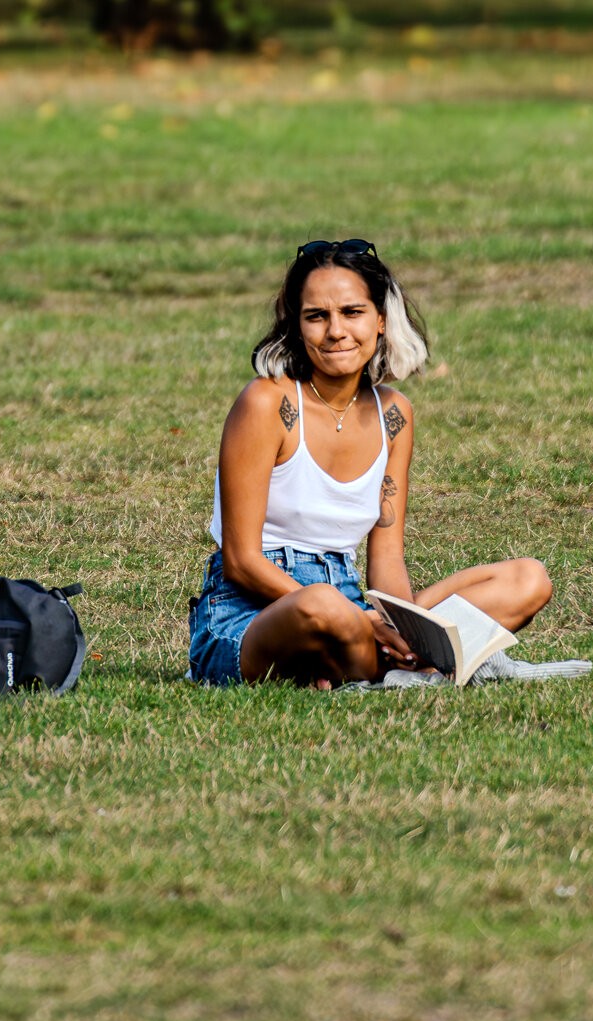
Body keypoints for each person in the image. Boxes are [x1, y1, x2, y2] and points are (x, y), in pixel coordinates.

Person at [188, 239, 554, 688]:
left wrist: (400, 628)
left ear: (381, 319)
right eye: (316, 316)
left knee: (527, 579)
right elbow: (241, 562)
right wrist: (356, 618)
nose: (336, 331)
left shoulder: (394, 415)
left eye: (352, 312)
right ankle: (391, 668)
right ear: (296, 326)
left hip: (353, 606)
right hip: (253, 615)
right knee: (320, 606)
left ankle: (388, 663)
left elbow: (387, 562)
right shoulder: (267, 402)